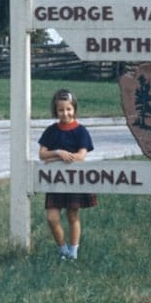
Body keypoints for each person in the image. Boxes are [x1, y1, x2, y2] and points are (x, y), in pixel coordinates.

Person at [38, 88, 95, 260]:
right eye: (61, 110)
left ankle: (73, 252)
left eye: (68, 109)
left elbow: (80, 157)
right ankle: (62, 249)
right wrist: (58, 153)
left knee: (72, 215)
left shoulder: (81, 131)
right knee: (52, 217)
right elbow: (42, 154)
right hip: (55, 181)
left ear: (74, 109)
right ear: (55, 111)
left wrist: (56, 159)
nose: (65, 113)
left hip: (74, 179)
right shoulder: (51, 131)